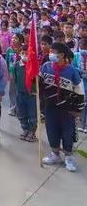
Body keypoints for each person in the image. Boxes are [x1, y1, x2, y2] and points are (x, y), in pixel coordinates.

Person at [41, 42, 85, 172]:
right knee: (51, 130)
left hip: (67, 109)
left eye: (53, 52)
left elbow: (79, 91)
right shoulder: (46, 67)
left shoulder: (72, 71)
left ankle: (68, 156)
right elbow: (39, 83)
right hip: (50, 106)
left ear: (62, 55)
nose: (51, 54)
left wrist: (78, 109)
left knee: (67, 132)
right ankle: (55, 153)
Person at [13, 45, 38, 142]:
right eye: (23, 53)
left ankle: (32, 131)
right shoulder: (17, 65)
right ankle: (25, 129)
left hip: (32, 94)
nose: (25, 55)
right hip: (20, 93)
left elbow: (38, 80)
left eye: (27, 53)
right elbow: (15, 78)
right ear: (19, 54)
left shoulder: (34, 66)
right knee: (21, 113)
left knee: (32, 114)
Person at [73, 37, 87, 133]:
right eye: (81, 47)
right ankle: (82, 124)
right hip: (80, 83)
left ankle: (86, 125)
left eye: (85, 47)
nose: (83, 49)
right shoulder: (76, 55)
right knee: (81, 104)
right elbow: (74, 67)